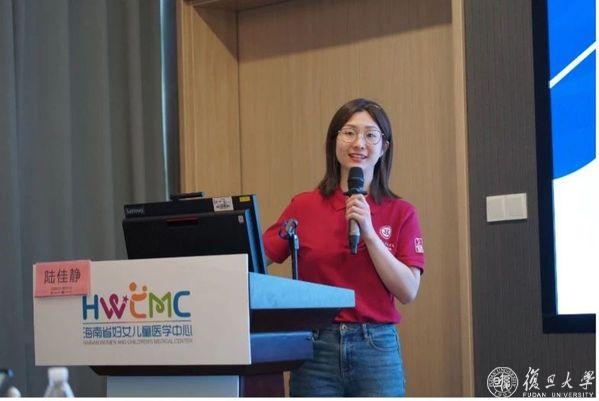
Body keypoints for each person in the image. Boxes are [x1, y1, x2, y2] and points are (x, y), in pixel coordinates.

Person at [262, 98, 425, 397]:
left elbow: (408, 291)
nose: (359, 143)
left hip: (375, 347)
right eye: (349, 132)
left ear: (384, 148)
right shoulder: (304, 206)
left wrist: (369, 234)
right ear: (333, 142)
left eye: (370, 135)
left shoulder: (402, 212)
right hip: (315, 348)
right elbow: (259, 255)